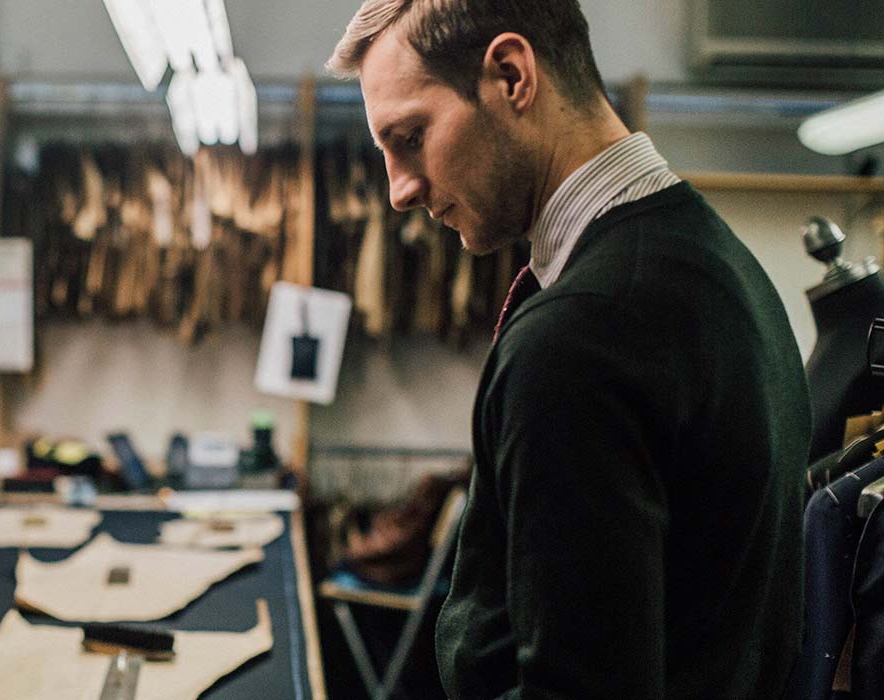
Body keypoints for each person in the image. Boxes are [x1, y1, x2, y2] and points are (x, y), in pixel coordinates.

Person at [327, 1, 810, 698]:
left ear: (512, 75)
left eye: (411, 137)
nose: (399, 190)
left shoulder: (583, 336)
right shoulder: (722, 267)